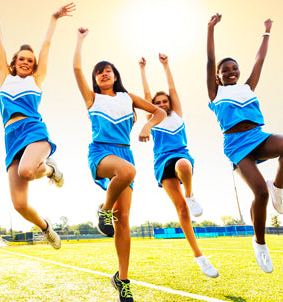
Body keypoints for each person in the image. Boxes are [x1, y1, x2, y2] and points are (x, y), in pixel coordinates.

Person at [73, 27, 166, 301]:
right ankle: (103, 211)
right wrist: (80, 40)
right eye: (99, 71)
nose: (104, 74)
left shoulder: (128, 98)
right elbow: (77, 69)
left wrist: (147, 125)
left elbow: (159, 110)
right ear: (95, 79)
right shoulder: (93, 99)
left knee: (123, 220)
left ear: (115, 76)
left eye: (108, 70)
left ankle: (122, 280)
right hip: (102, 153)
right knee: (127, 172)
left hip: (125, 152)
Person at [0, 2, 75, 249]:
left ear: (34, 64)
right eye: (21, 59)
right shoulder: (4, 78)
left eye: (30, 60)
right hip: (11, 137)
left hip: (33, 130)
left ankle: (51, 169)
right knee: (19, 204)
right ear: (14, 61)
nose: (26, 62)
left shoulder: (36, 80)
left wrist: (54, 19)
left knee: (27, 172)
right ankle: (45, 227)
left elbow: (47, 46)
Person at [207, 13, 281, 273]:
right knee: (259, 193)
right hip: (237, 146)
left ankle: (279, 190)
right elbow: (209, 60)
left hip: (257, 137)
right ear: (218, 75)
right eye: (225, 70)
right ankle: (260, 243)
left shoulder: (248, 86)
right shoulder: (216, 93)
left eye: (234, 68)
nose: (231, 72)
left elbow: (260, 59)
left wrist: (267, 32)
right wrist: (211, 29)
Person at [139, 54, 218, 278]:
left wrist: (166, 65)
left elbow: (172, 88)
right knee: (181, 209)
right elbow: (145, 96)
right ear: (153, 107)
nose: (162, 104)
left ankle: (191, 193)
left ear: (170, 104)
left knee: (183, 164)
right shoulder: (152, 119)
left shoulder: (178, 115)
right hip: (162, 162)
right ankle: (199, 256)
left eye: (165, 102)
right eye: (158, 103)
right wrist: (143, 69)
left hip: (181, 155)